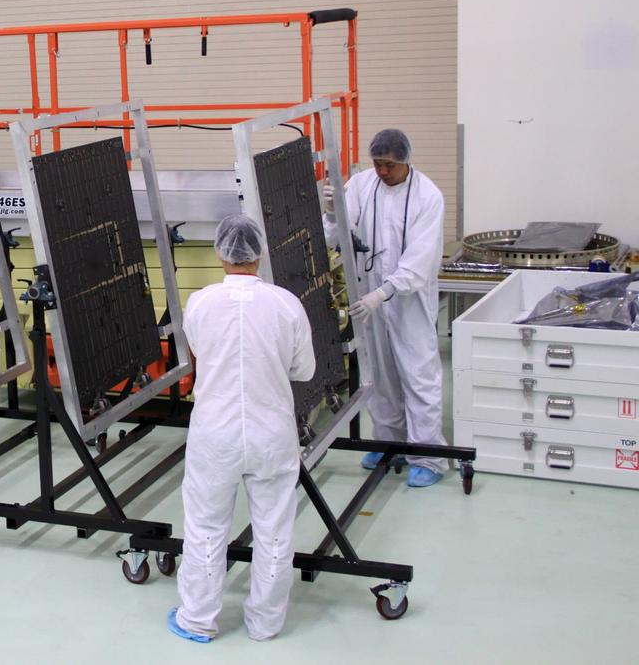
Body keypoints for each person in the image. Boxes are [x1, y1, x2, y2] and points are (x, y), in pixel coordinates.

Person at [169, 214, 315, 644]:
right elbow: (304, 370)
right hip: (272, 434)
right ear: (261, 253)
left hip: (215, 435)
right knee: (274, 529)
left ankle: (197, 619)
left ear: (220, 253)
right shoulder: (286, 304)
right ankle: (266, 623)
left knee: (205, 527)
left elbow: (200, 351)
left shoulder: (200, 304)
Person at [322, 128, 447, 487]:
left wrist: (384, 292)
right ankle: (388, 443)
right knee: (379, 371)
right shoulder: (362, 185)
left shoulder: (428, 196)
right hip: (369, 295)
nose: (382, 171)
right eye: (377, 163)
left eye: (389, 165)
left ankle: (428, 456)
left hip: (409, 299)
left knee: (418, 374)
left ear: (405, 161)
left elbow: (420, 260)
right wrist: (332, 211)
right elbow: (334, 236)